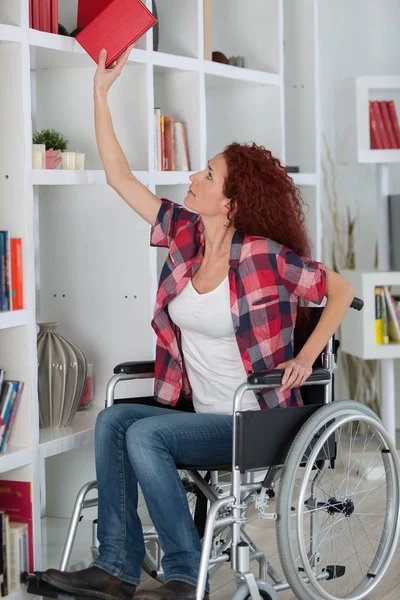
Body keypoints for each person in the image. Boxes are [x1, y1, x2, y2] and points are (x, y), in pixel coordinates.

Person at [42, 45, 355, 600]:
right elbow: (119, 177)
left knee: (146, 435)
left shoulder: (263, 256)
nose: (192, 175)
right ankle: (116, 567)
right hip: (201, 412)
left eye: (206, 174)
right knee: (116, 420)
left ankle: (186, 574)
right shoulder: (186, 235)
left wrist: (307, 357)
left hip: (253, 422)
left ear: (231, 203)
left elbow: (342, 290)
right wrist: (99, 92)